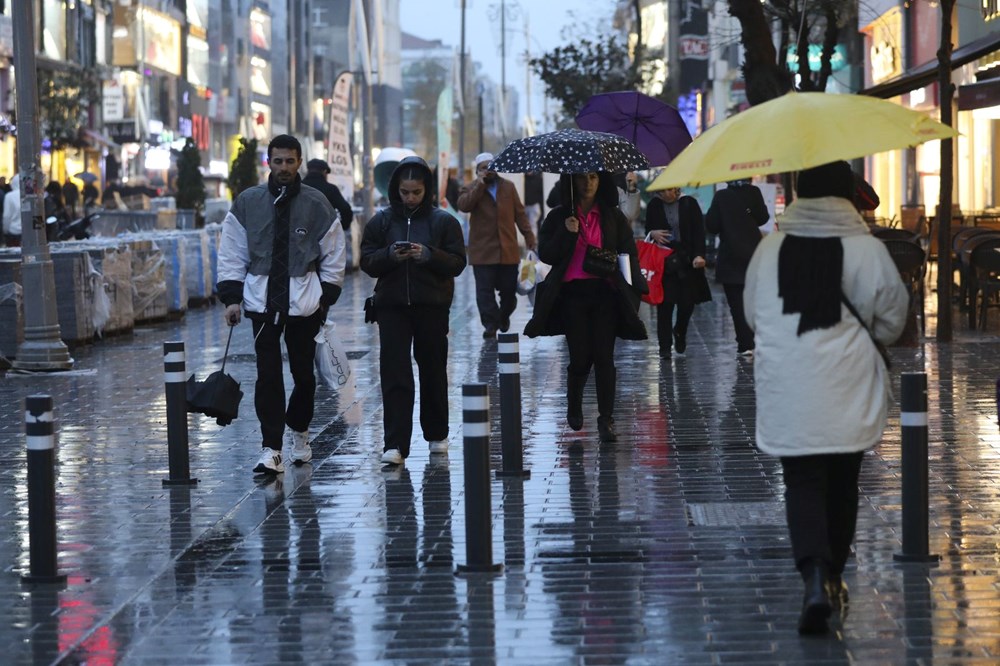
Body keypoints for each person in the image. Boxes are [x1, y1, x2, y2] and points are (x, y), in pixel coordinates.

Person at [743, 160, 908, 635]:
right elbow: (892, 321)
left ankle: (813, 576)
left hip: (790, 384)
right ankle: (834, 573)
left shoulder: (771, 249)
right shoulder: (867, 249)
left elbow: (755, 314)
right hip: (849, 382)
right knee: (843, 479)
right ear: (846, 195)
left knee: (802, 478)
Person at [217, 134, 347, 476]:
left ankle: (300, 430)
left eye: (290, 161)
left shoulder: (317, 203)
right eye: (278, 161)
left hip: (304, 304)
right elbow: (232, 251)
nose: (284, 167)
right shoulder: (248, 202)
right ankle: (271, 447)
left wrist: (327, 296)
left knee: (304, 377)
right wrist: (231, 297)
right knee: (268, 376)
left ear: (299, 161)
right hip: (261, 302)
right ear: (269, 163)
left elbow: (334, 250)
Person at [524, 171, 648, 443]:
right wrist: (567, 234)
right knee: (580, 357)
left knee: (604, 357)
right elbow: (547, 253)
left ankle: (606, 419)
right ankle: (574, 403)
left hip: (606, 292)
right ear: (571, 181)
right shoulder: (558, 216)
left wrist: (636, 287)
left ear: (600, 180)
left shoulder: (613, 216)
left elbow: (629, 252)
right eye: (581, 177)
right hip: (572, 295)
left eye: (593, 177)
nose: (587, 182)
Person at [360, 155, 466, 466]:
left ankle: (437, 434)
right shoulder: (381, 221)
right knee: (395, 374)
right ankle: (395, 444)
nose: (410, 198)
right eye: (405, 192)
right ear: (395, 189)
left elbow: (458, 262)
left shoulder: (443, 221)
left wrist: (429, 256)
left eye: (416, 192)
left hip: (431, 306)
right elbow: (366, 260)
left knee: (433, 370)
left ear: (426, 189)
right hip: (392, 307)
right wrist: (390, 256)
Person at [456, 152, 537, 339]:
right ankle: (490, 326)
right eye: (483, 168)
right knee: (484, 294)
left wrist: (529, 236)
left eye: (490, 166)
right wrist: (479, 186)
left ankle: (503, 316)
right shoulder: (469, 189)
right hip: (482, 253)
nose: (488, 170)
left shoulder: (508, 187)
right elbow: (464, 206)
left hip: (507, 250)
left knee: (509, 294)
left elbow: (520, 214)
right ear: (477, 171)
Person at [705, 179, 769, 357]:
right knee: (754, 300)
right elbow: (763, 218)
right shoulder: (754, 192)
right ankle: (755, 339)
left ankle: (745, 343)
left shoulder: (721, 196)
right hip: (753, 254)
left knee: (736, 303)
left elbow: (712, 225)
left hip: (730, 256)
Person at [644, 186, 712, 357]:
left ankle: (680, 331)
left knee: (687, 304)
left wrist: (699, 255)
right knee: (665, 305)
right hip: (664, 263)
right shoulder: (654, 205)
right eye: (663, 191)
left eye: (671, 190)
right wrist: (653, 233)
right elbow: (648, 230)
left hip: (687, 261)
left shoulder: (689, 202)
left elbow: (699, 232)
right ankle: (664, 347)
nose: (667, 194)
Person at [302, 158, 354, 231]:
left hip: (299, 233)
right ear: (324, 172)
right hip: (323, 235)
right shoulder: (330, 189)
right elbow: (345, 209)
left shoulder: (298, 187)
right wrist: (341, 227)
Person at [2, 173, 20, 247]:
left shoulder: (9, 196)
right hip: (28, 232)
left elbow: (7, 215)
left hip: (13, 231)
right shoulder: (29, 196)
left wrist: (5, 230)